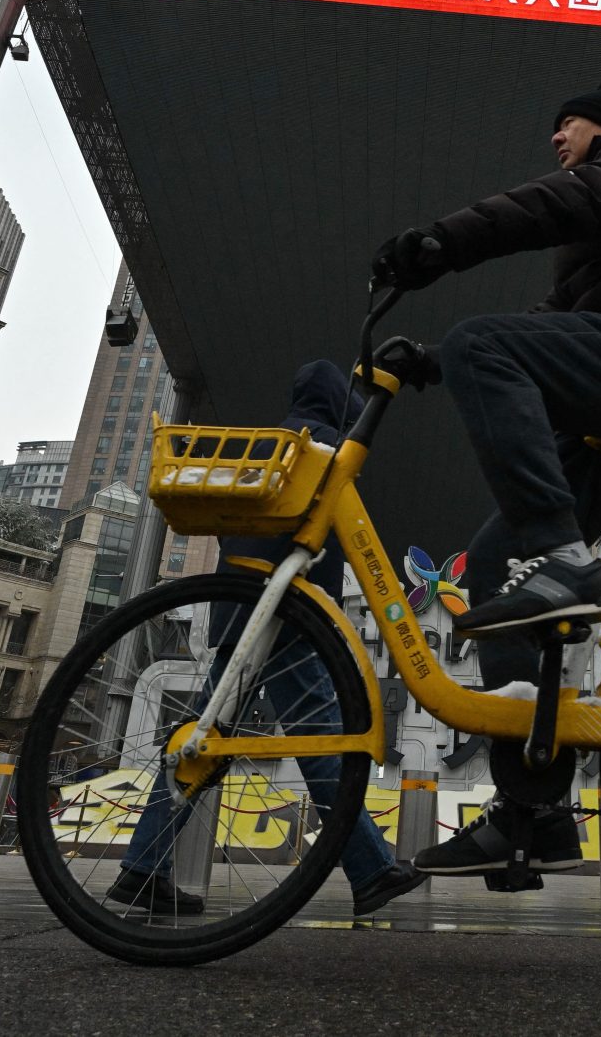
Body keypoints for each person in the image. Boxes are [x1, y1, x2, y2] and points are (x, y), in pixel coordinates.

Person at [368, 79, 601, 876]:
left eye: (563, 122)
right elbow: (549, 325)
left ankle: (567, 560)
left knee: (483, 343)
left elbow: (544, 207)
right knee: (496, 561)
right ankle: (531, 814)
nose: (554, 139)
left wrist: (441, 242)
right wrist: (431, 361)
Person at [108, 362, 429, 919]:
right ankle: (372, 870)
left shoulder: (265, 446)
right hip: (288, 616)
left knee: (200, 740)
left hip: (240, 613)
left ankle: (143, 867)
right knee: (324, 739)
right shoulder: (322, 448)